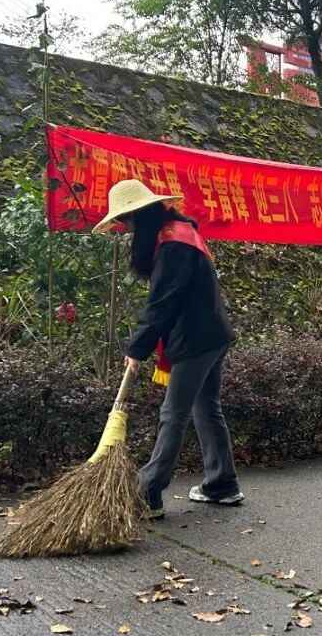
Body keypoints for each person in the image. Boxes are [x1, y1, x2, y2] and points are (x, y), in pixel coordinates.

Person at [93, 179, 242, 519]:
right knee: (206, 409)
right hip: (212, 333)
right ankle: (222, 484)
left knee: (173, 414)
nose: (126, 228)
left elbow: (162, 302)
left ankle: (148, 494)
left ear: (140, 215)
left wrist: (137, 348)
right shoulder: (181, 232)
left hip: (196, 339)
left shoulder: (174, 244)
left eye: (126, 221)